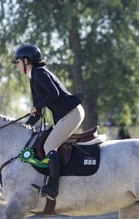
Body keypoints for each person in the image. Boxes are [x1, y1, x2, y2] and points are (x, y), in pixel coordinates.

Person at [12, 44, 85, 200]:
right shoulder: (34, 78)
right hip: (66, 114)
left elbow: (54, 93)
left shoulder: (39, 72)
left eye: (17, 62)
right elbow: (38, 112)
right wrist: (25, 126)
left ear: (26, 61)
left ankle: (53, 188)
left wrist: (36, 106)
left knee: (49, 146)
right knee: (44, 142)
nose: (17, 66)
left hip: (72, 113)